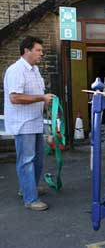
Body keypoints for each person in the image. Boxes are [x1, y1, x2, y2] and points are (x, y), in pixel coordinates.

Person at [3, 36, 55, 211]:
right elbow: (15, 97)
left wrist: (45, 101)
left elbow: (37, 92)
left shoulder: (34, 70)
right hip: (23, 123)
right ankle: (30, 198)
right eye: (38, 50)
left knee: (38, 159)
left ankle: (27, 186)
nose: (41, 53)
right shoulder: (16, 70)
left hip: (35, 121)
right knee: (26, 160)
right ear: (27, 51)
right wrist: (41, 98)